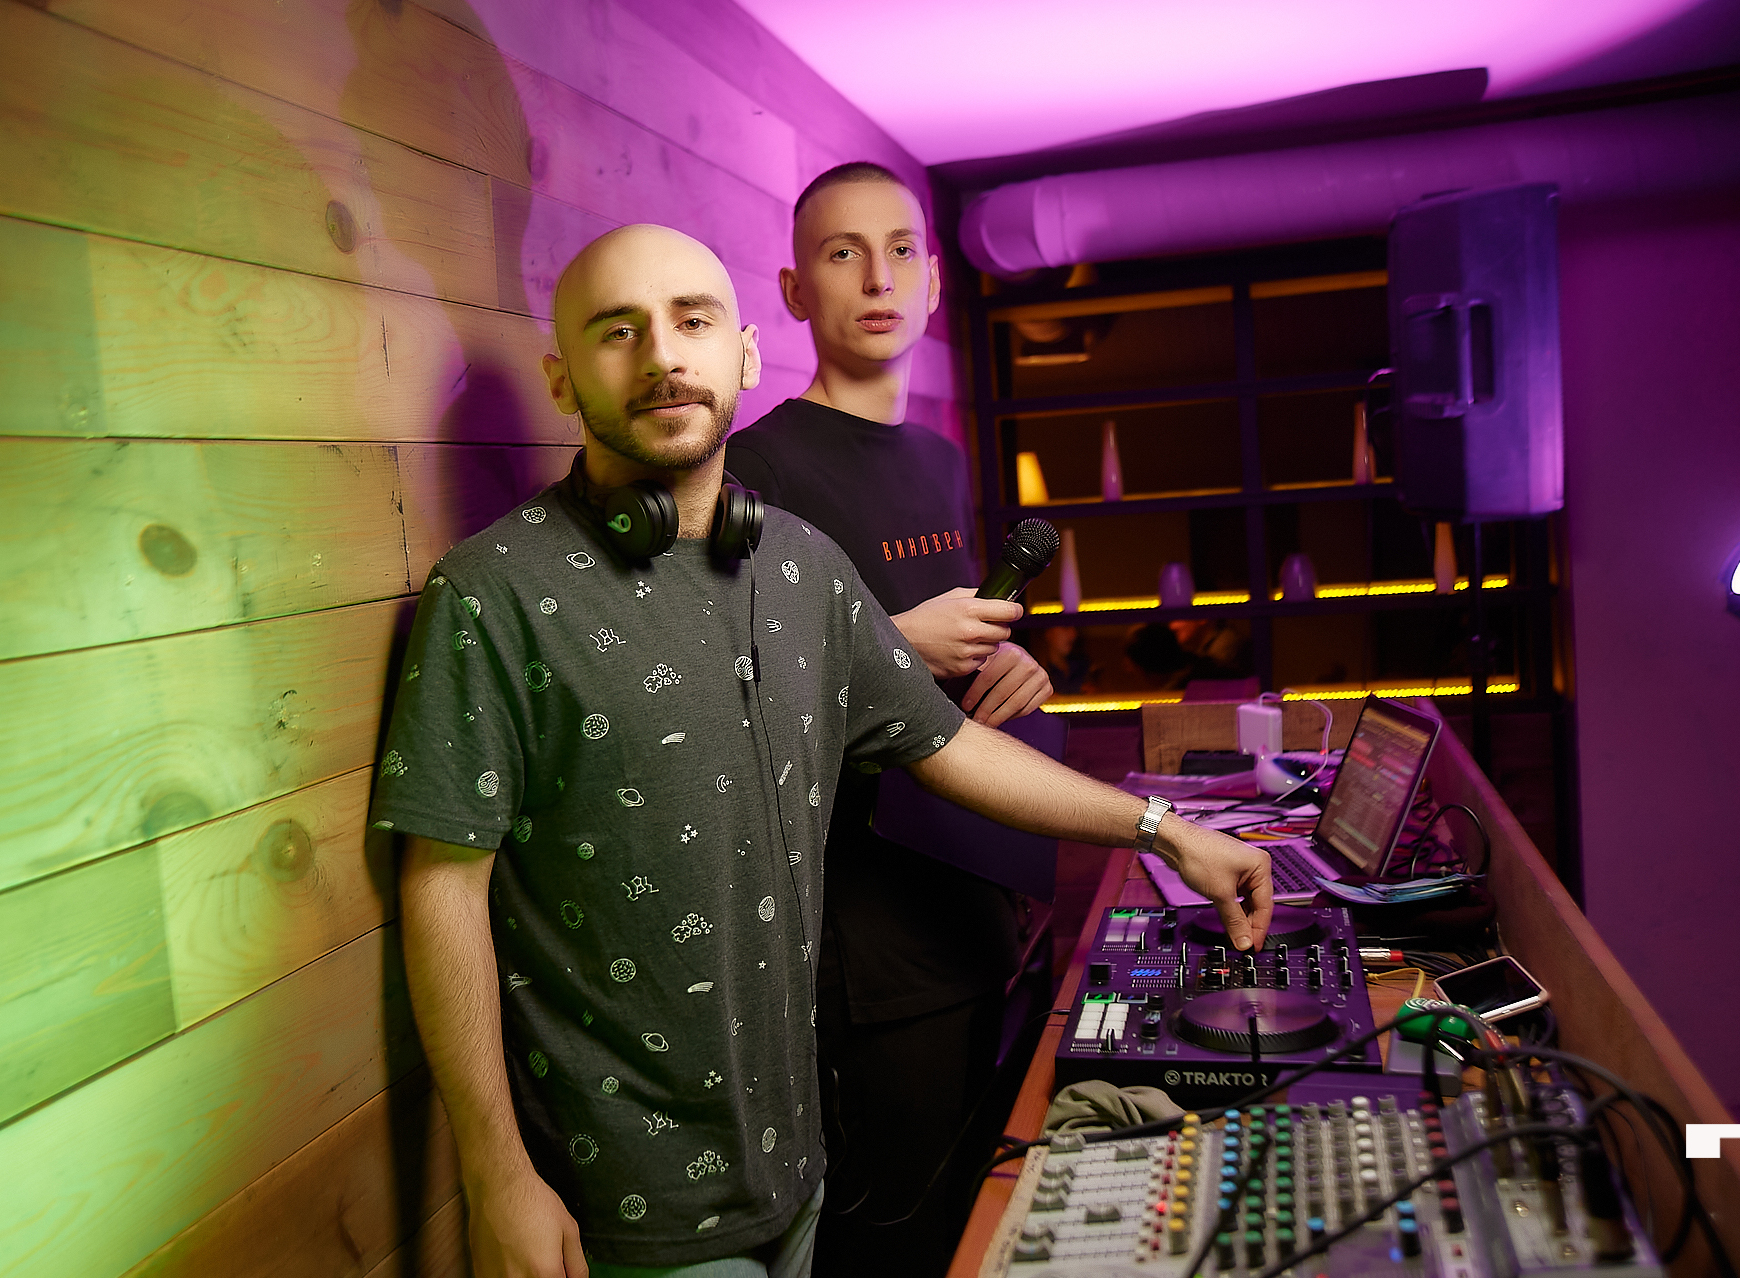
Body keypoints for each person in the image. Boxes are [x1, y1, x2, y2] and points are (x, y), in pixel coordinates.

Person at [372, 223, 1273, 1278]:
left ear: (745, 355)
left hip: (795, 1163)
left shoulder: (801, 565)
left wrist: (1166, 831)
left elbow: (948, 744)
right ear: (562, 379)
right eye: (618, 331)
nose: (662, 355)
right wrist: (495, 1172)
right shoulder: (493, 592)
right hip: (620, 1199)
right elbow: (443, 884)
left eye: (692, 321)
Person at [723, 162, 1056, 1272]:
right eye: (842, 252)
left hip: (975, 910)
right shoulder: (757, 468)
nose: (878, 277)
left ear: (933, 283)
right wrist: (894, 641)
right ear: (795, 290)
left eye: (901, 249)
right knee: (892, 1250)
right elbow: (728, 705)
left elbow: (945, 673)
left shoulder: (939, 458)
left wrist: (1012, 666)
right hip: (865, 956)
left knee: (973, 1226)